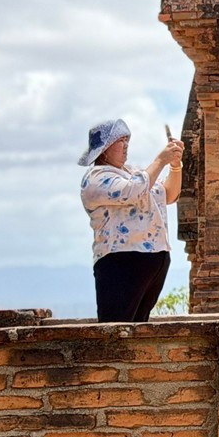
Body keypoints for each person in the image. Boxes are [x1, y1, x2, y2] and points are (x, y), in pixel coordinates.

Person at [78, 119, 183, 322]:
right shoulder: (95, 179)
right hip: (121, 262)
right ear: (104, 149)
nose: (125, 145)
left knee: (138, 328)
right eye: (119, 141)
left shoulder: (134, 173)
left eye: (127, 139)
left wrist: (175, 165)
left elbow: (168, 194)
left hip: (154, 258)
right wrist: (160, 161)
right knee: (116, 330)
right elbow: (132, 191)